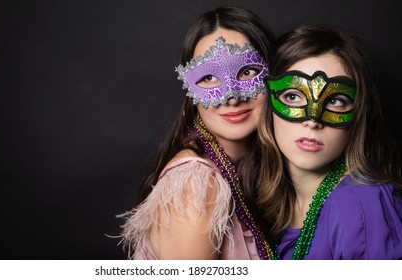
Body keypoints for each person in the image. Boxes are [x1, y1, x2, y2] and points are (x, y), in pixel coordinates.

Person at [117, 7, 276, 259]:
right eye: (209, 77)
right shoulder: (196, 186)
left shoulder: (255, 172)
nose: (231, 96)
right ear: (191, 93)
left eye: (247, 72)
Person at [246, 24, 402, 259]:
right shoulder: (272, 204)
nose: (313, 120)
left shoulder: (360, 204)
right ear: (269, 105)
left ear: (359, 113)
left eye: (336, 101)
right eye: (293, 96)